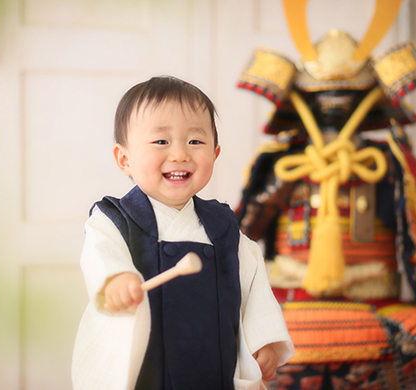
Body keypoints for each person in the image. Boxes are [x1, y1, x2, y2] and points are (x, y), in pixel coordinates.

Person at [71, 76, 294, 390]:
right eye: (161, 141)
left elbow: (253, 283)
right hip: (148, 369)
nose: (179, 154)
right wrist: (116, 279)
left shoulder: (223, 225)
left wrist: (263, 340)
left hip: (214, 365)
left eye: (195, 141)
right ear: (125, 159)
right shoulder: (114, 219)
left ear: (215, 154)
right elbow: (101, 254)